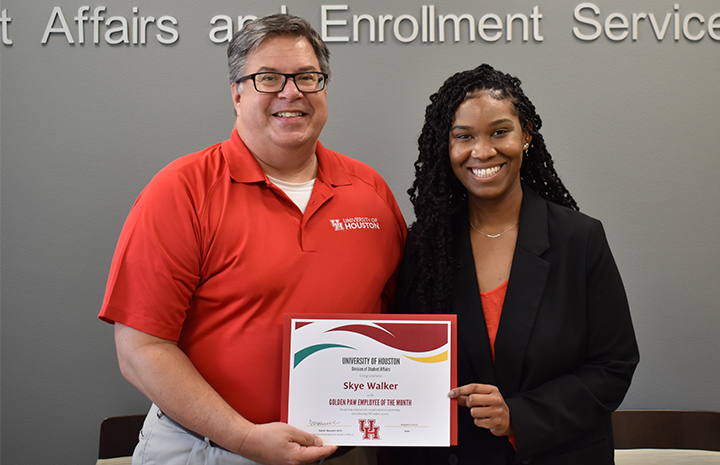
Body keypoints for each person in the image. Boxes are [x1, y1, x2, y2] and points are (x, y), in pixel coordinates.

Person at [98, 14, 406, 465]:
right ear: (236, 92)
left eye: (307, 77)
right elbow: (141, 349)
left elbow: (401, 319)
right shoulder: (181, 191)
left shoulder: (371, 191)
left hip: (343, 452)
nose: (291, 92)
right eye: (268, 78)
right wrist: (244, 438)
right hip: (208, 450)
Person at [389, 64, 639, 465]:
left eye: (499, 132)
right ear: (446, 147)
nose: (482, 151)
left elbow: (613, 365)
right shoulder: (426, 245)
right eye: (463, 136)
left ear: (526, 134)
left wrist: (519, 416)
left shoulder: (579, 238)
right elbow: (405, 369)